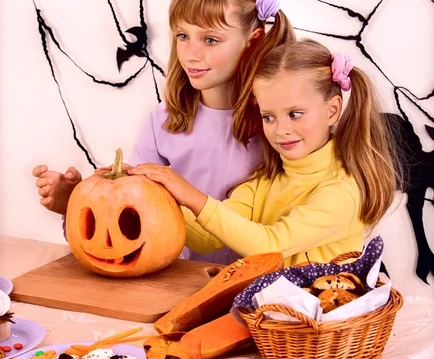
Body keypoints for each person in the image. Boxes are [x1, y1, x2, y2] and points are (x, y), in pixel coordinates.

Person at [32, 0, 296, 264]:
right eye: (183, 35)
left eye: (210, 39)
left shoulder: (281, 123)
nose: (191, 53)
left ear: (255, 39)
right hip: (182, 282)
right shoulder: (165, 122)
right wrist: (76, 204)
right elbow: (133, 219)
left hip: (268, 282)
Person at [128, 39, 400, 266]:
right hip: (267, 320)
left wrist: (192, 195)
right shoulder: (266, 179)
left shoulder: (342, 192)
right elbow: (207, 238)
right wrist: (147, 197)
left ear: (332, 110)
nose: (281, 130)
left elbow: (270, 245)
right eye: (268, 117)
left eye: (295, 114)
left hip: (319, 324)